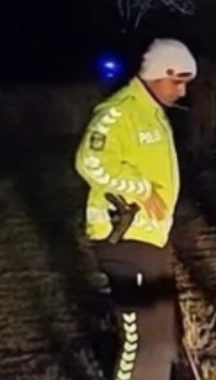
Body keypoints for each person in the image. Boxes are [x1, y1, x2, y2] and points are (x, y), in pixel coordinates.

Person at [74, 38, 197, 380]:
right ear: (156, 74)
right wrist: (140, 189)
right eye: (177, 81)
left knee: (163, 338)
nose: (182, 91)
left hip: (149, 239)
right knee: (142, 341)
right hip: (125, 238)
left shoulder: (152, 113)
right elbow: (89, 160)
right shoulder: (120, 111)